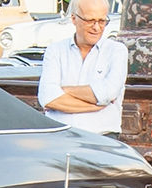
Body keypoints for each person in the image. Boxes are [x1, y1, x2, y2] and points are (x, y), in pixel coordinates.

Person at [38, 0, 129, 136]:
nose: (97, 28)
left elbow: (108, 93)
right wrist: (96, 105)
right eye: (90, 21)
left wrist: (65, 90)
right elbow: (48, 97)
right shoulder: (55, 50)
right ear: (74, 19)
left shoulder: (116, 51)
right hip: (60, 136)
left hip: (103, 138)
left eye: (102, 21)